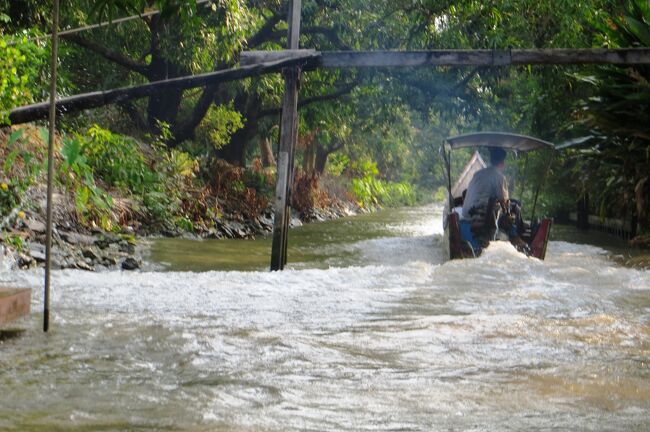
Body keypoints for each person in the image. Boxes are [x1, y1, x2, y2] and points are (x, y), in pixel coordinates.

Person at [460, 147, 526, 251]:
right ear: (503, 162)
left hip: (466, 213)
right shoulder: (499, 176)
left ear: (491, 160)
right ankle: (514, 236)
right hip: (480, 216)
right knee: (514, 207)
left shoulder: (478, 174)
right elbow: (505, 201)